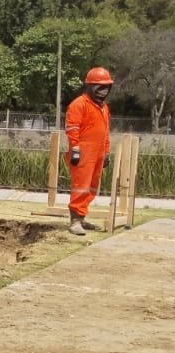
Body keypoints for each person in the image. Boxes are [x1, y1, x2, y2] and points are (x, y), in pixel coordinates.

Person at [64, 67, 113, 236]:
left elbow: (105, 132)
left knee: (91, 188)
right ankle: (75, 221)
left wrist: (106, 151)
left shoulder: (104, 107)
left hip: (98, 153)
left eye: (107, 87)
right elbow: (72, 128)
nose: (104, 90)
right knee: (81, 187)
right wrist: (75, 149)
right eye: (100, 87)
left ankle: (81, 217)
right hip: (83, 153)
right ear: (90, 86)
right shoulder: (79, 104)